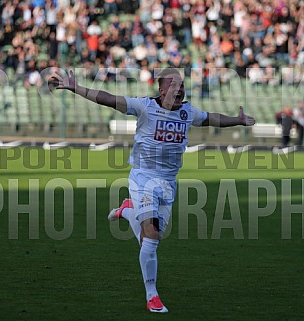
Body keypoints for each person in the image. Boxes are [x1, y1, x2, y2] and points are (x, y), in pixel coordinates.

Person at [53, 67, 255, 313]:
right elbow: (109, 99)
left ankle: (127, 211)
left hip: (168, 183)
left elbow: (212, 118)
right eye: (174, 85)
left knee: (152, 238)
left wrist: (238, 120)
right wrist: (77, 88)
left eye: (181, 85)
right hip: (143, 179)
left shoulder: (187, 112)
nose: (179, 89)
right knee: (150, 238)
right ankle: (152, 295)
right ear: (161, 90)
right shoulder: (144, 106)